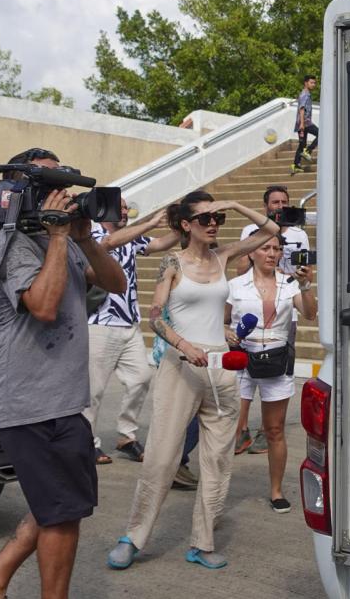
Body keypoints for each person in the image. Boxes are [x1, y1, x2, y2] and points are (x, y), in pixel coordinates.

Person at [0, 148, 126, 599]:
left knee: (60, 504)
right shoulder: (5, 243)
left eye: (62, 184)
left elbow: (115, 284)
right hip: (27, 402)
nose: (60, 194)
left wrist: (85, 239)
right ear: (15, 190)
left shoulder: (65, 240)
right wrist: (56, 237)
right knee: (61, 511)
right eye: (47, 184)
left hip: (64, 399)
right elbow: (44, 307)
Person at [107, 191, 279, 571]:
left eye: (217, 217)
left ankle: (202, 543)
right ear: (186, 225)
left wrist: (232, 205)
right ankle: (133, 537)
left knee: (217, 461)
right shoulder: (172, 262)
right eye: (205, 218)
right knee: (161, 458)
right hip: (180, 365)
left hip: (222, 368)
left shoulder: (223, 257)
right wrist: (184, 343)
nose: (214, 223)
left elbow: (271, 228)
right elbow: (155, 318)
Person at [82, 200, 181, 465]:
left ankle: (126, 436)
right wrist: (147, 223)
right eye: (120, 208)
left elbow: (159, 244)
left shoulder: (130, 239)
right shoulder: (91, 233)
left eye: (127, 208)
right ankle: (87, 443)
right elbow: (109, 243)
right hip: (98, 323)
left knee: (141, 378)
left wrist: (184, 225)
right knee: (93, 391)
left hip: (129, 323)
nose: (125, 212)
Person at [225, 234, 316, 512]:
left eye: (277, 249)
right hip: (242, 358)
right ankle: (217, 487)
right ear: (251, 252)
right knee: (228, 428)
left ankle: (276, 491)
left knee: (275, 429)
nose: (272, 253)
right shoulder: (234, 285)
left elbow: (310, 314)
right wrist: (226, 333)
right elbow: (221, 319)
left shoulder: (290, 284)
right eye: (265, 248)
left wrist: (306, 284)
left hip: (277, 359)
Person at [234, 185, 310, 455]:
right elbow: (241, 266)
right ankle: (239, 429)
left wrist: (299, 276)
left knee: (280, 368)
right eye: (275, 202)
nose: (280, 205)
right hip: (253, 300)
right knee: (244, 374)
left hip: (287, 302)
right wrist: (264, 259)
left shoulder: (300, 233)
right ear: (265, 205)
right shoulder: (250, 232)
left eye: (284, 201)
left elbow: (305, 265)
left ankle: (269, 431)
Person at [291, 74, 318, 175]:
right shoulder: (305, 95)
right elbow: (301, 109)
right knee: (321, 134)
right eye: (311, 82)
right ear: (306, 83)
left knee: (302, 144)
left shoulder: (306, 94)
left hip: (302, 123)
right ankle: (308, 151)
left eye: (314, 83)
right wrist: (302, 123)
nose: (313, 85)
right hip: (305, 123)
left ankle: (296, 165)